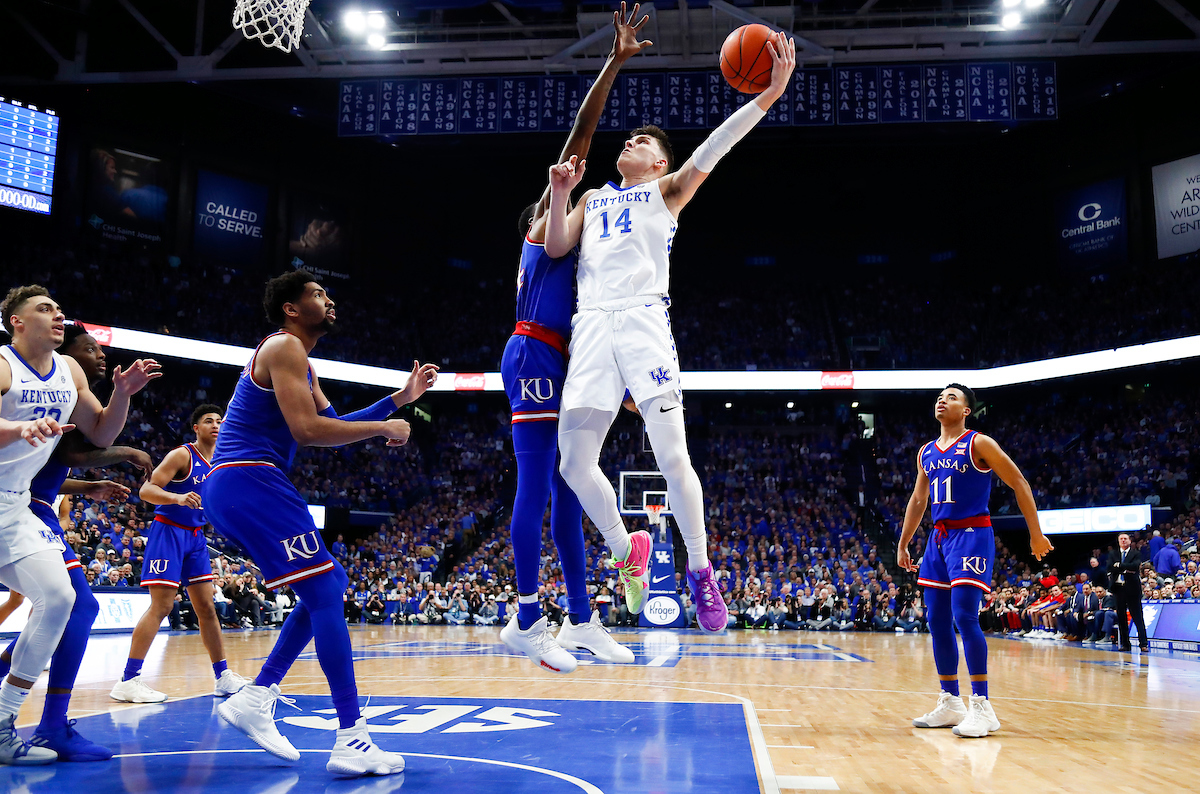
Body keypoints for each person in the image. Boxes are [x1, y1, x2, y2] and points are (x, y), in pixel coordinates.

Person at [546, 28, 797, 637]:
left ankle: (701, 568)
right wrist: (558, 196)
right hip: (591, 327)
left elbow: (715, 147)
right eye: (626, 138)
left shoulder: (666, 192)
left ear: (658, 162)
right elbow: (556, 244)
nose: (626, 143)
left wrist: (770, 94)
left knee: (671, 454)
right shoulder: (595, 199)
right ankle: (625, 546)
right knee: (573, 462)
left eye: (639, 142)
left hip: (641, 322)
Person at [204, 270, 435, 777]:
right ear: (291, 308)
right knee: (328, 592)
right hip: (248, 480)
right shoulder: (285, 346)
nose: (329, 300)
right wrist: (386, 426)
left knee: (328, 586)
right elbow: (308, 431)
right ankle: (351, 738)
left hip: (244, 484)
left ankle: (257, 696)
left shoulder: (302, 363)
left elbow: (338, 423)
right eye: (317, 294)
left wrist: (400, 399)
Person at [498, 3, 648, 673]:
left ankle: (582, 619)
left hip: (560, 358)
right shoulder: (544, 231)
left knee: (567, 486)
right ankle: (526, 614)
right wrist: (613, 64)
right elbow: (577, 146)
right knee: (536, 481)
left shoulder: (584, 256)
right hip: (531, 350)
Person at [0, 285, 158, 765]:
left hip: (12, 504)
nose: (57, 316)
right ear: (17, 323)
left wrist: (122, 394)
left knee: (63, 600)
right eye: (44, 310)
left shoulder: (68, 370)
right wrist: (16, 429)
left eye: (59, 309)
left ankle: (3, 724)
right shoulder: (4, 365)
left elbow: (102, 432)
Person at [899, 384, 1053, 739]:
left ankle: (982, 705)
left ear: (967, 410)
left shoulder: (978, 443)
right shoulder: (925, 452)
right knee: (937, 620)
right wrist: (904, 543)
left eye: (952, 397)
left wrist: (1035, 533)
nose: (942, 399)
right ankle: (951, 701)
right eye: (940, 395)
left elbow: (1019, 482)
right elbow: (918, 501)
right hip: (938, 540)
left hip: (971, 534)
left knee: (964, 616)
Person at [110, 404, 249, 704]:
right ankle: (128, 679)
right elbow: (147, 491)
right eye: (208, 421)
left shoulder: (224, 461)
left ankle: (223, 676)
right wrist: (177, 496)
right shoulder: (182, 455)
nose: (216, 425)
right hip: (168, 532)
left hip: (196, 539)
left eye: (219, 421)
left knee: (207, 609)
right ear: (196, 428)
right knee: (161, 607)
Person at [1108, 532, 1148, 651]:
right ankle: (1125, 644)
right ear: (1118, 541)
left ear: (1130, 541)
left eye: (1125, 539)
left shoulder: (1136, 553)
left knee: (1137, 617)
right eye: (1121, 539)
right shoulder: (1113, 554)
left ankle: (1143, 644)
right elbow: (1110, 567)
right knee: (1121, 618)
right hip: (1118, 589)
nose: (1123, 541)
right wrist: (1126, 568)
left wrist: (1120, 566)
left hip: (1133, 589)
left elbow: (1135, 566)